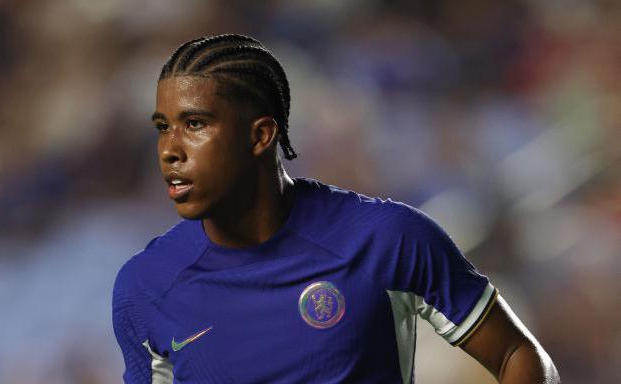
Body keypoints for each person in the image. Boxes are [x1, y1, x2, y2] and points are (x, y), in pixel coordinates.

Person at [112, 34, 559, 384]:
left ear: (260, 136)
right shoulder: (145, 286)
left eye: (194, 125)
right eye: (162, 128)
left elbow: (518, 356)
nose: (170, 150)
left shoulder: (388, 238)